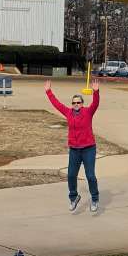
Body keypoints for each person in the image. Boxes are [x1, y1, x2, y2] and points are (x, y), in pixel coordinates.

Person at [45, 77, 100, 212]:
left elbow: (95, 104)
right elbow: (57, 104)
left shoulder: (88, 112)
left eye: (78, 102)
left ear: (82, 103)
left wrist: (96, 92)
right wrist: (48, 92)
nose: (76, 104)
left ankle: (94, 198)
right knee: (70, 175)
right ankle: (74, 197)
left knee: (90, 175)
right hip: (74, 150)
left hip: (88, 149)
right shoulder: (68, 112)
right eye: (74, 102)